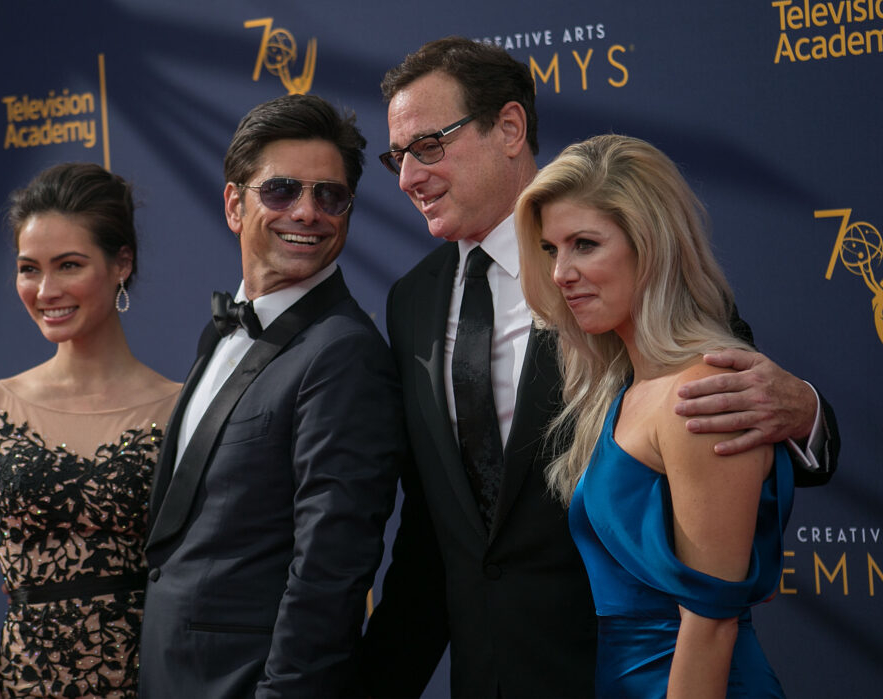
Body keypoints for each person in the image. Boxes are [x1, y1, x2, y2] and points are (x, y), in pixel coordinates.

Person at [356, 36, 839, 698]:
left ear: (508, 128)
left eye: (429, 146)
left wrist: (807, 413)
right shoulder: (410, 300)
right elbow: (434, 537)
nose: (409, 176)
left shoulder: (636, 278)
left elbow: (728, 402)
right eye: (398, 157)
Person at [138, 93, 404, 698]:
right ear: (235, 203)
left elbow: (329, 570)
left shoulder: (344, 353)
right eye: (282, 191)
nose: (308, 212)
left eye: (330, 196)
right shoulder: (222, 331)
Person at [515, 133, 794, 696]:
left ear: (653, 246)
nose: (561, 272)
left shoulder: (705, 392)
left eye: (585, 244)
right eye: (551, 249)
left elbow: (710, 627)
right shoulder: (622, 387)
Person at [0, 162, 181, 697]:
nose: (46, 289)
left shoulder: (182, 411)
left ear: (122, 263)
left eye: (69, 265)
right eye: (29, 268)